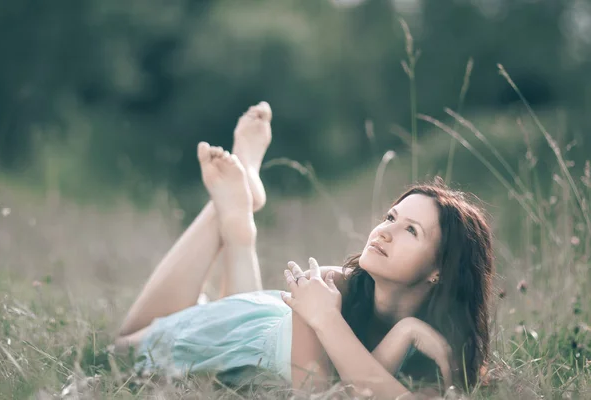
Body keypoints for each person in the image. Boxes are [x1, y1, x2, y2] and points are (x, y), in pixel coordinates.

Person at [115, 101, 495, 399]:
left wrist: (405, 332)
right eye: (390, 216)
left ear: (440, 269)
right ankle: (230, 213)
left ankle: (237, 224)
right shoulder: (326, 287)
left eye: (410, 229)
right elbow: (318, 393)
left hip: (252, 334)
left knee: (251, 337)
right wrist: (327, 319)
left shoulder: (437, 344)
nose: (384, 232)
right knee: (119, 350)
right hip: (218, 333)